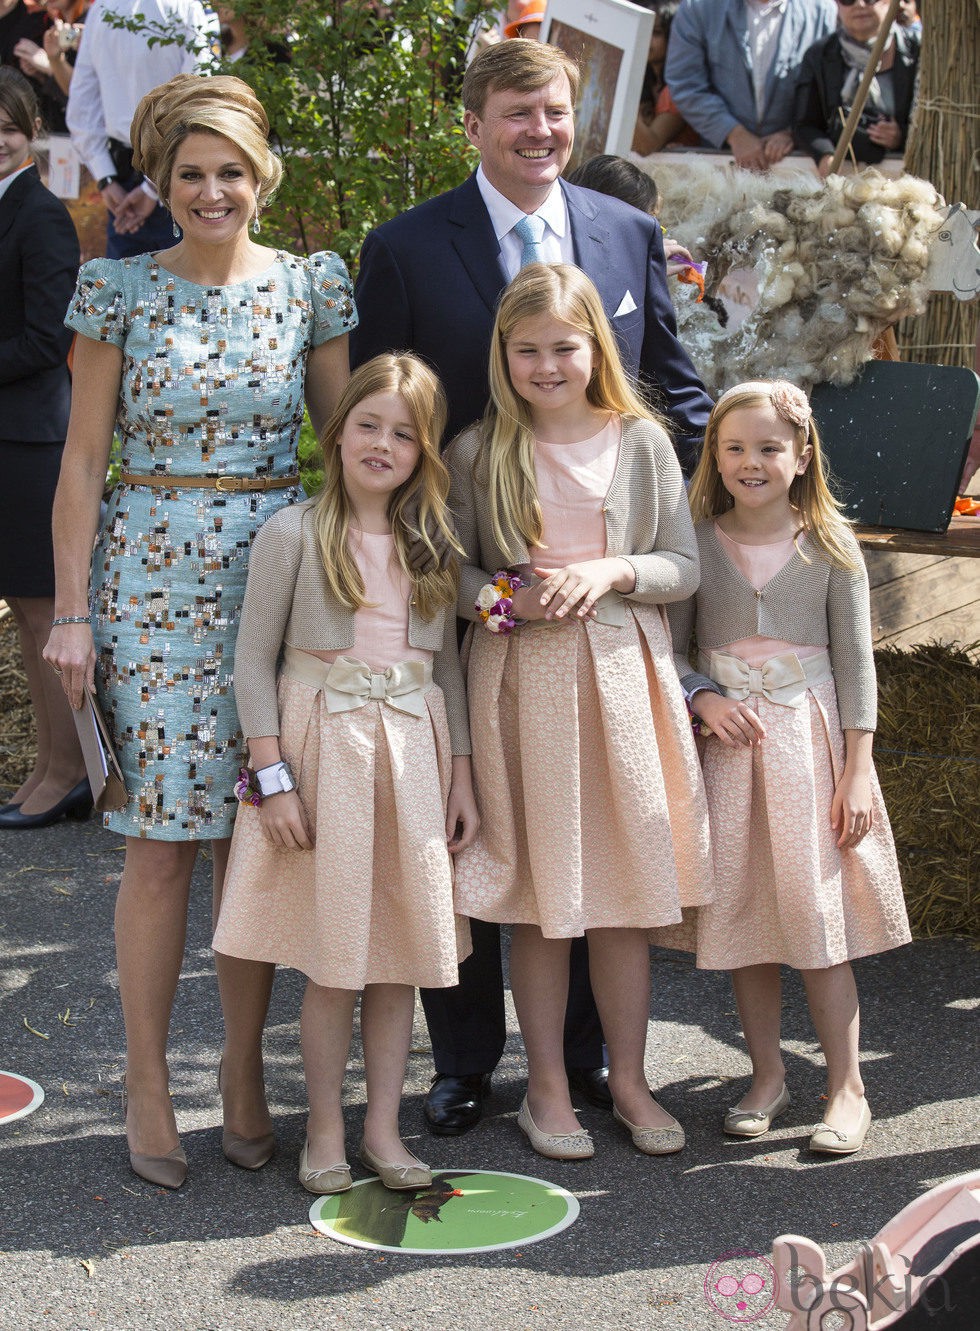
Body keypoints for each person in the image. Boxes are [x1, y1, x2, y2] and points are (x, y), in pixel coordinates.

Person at [353, 39, 713, 1137]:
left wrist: (721, 522)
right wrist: (443, 584)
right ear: (474, 124)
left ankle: (593, 1062)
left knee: (595, 853)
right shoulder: (407, 247)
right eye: (517, 113)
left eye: (554, 111)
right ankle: (466, 1062)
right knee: (477, 842)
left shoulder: (626, 234)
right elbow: (386, 417)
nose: (540, 131)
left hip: (609, 614)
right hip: (472, 588)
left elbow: (677, 394)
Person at [43, 72, 356, 1189]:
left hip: (276, 580)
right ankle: (142, 1078)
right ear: (165, 184)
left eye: (230, 171)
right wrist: (71, 610)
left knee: (257, 839)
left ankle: (239, 1069)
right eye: (190, 174)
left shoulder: (311, 287)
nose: (211, 190)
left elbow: (346, 444)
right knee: (161, 846)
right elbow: (82, 463)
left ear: (260, 178)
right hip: (147, 583)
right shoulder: (117, 292)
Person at [448, 263, 713, 1160]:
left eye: (563, 346)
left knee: (623, 899)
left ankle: (630, 1078)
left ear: (594, 345)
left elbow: (683, 564)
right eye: (526, 351)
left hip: (622, 678)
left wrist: (611, 570)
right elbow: (446, 573)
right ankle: (548, 1089)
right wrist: (500, 602)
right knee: (541, 896)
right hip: (521, 680)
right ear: (504, 355)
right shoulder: (481, 450)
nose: (546, 365)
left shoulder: (639, 441)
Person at [214, 354, 478, 1195]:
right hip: (323, 749)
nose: (383, 443)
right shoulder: (294, 532)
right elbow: (252, 664)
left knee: (395, 956)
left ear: (425, 451)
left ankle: (383, 1129)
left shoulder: (434, 541)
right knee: (336, 958)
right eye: (369, 423)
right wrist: (272, 777)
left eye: (405, 433)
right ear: (337, 432)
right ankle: (323, 1127)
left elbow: (451, 673)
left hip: (410, 752)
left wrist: (462, 772)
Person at [668, 379, 910, 1156]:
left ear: (802, 456)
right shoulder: (697, 542)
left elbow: (857, 666)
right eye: (733, 447)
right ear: (715, 455)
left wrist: (858, 769)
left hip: (808, 750)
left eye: (769, 447)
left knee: (816, 920)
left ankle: (847, 1086)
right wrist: (702, 697)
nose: (751, 461)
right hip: (731, 754)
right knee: (746, 915)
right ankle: (767, 1072)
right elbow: (670, 649)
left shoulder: (833, 547)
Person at [0, 67, 87, 831]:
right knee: (26, 617)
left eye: (6, 126)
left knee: (42, 615)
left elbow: (45, 338)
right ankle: (46, 766)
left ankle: (70, 772)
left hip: (32, 442)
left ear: (29, 130)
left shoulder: (42, 215)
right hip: (7, 438)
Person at [66, 0, 219, 258]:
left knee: (135, 288)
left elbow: (83, 104)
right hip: (144, 176)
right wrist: (111, 180)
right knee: (180, 289)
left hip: (163, 173)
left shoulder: (102, 9)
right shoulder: (189, 7)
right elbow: (199, 101)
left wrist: (109, 178)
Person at [664, 0, 836, 172]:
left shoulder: (823, 11)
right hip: (719, 167)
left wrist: (794, 133)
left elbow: (831, 91)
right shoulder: (698, 7)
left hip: (801, 169)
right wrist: (733, 133)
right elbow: (685, 83)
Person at [793, 0, 921, 177]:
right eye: (848, 0)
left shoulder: (918, 52)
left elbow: (936, 123)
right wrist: (826, 155)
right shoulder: (819, 55)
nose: (859, 5)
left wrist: (902, 137)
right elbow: (804, 125)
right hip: (843, 182)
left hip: (907, 181)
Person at [631, 1, 698, 156]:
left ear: (675, 37)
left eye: (656, 32)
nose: (647, 38)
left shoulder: (681, 87)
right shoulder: (646, 81)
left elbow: (647, 146)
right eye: (644, 30)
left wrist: (618, 91)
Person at [13, 0, 88, 133]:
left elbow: (87, 93)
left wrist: (49, 65)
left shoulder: (95, 22)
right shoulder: (53, 23)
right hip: (60, 134)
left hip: (93, 137)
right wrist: (41, 75)